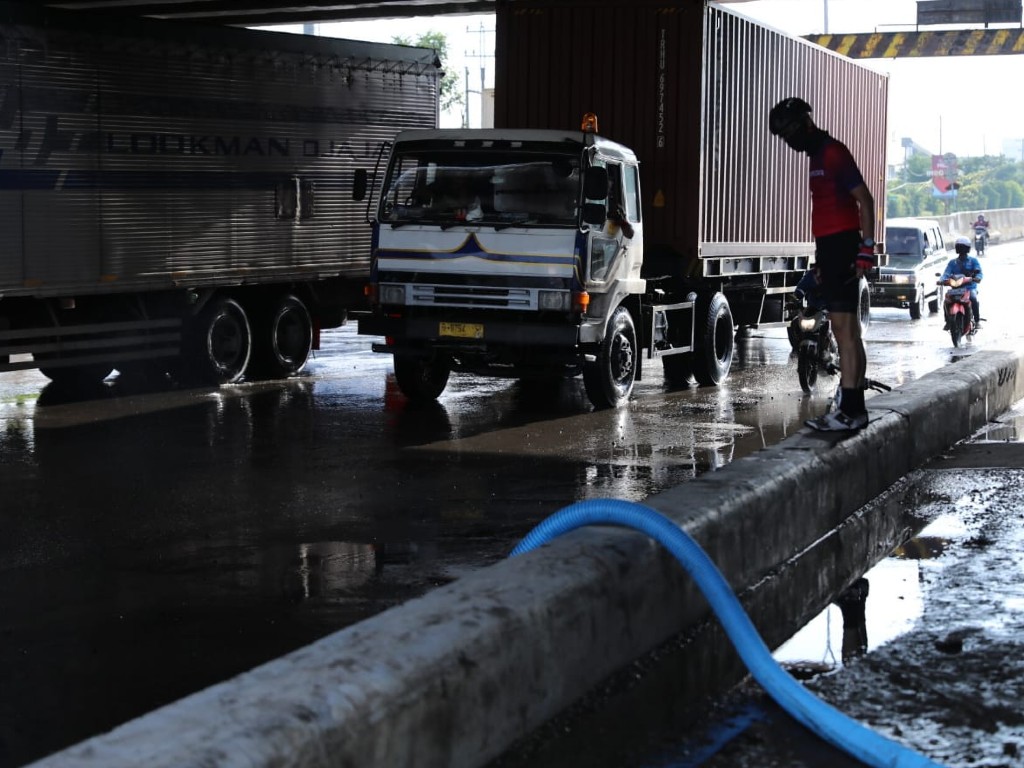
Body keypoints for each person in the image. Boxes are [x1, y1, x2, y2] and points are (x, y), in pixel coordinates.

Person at [769, 97, 876, 432]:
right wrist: (821, 259)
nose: (789, 143)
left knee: (844, 332)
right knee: (848, 333)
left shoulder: (833, 152)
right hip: (831, 248)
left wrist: (866, 249)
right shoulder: (817, 156)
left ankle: (851, 410)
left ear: (805, 123)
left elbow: (865, 199)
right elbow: (827, 212)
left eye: (790, 135)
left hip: (844, 245)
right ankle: (852, 404)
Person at [941, 236, 983, 332]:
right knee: (946, 300)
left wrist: (977, 278)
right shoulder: (952, 262)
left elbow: (979, 272)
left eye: (963, 247)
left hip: (969, 287)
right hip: (955, 288)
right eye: (959, 247)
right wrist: (942, 280)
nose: (961, 250)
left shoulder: (973, 261)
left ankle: (977, 321)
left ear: (967, 249)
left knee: (973, 298)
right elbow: (946, 273)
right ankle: (948, 321)